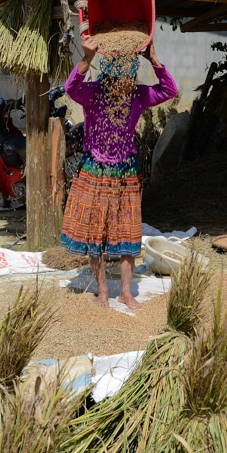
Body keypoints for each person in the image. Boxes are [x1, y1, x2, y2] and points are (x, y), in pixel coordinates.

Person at [60, 34, 178, 309]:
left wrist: (154, 60)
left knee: (127, 233)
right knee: (94, 235)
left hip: (125, 173)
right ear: (109, 79)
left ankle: (126, 291)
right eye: (120, 82)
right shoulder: (92, 93)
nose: (125, 87)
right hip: (95, 170)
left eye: (130, 82)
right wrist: (87, 58)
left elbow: (169, 90)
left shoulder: (138, 95)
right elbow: (70, 87)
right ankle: (102, 290)